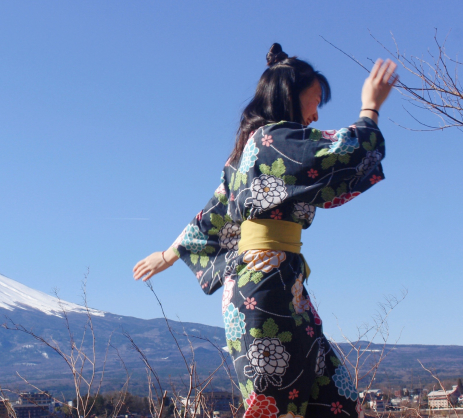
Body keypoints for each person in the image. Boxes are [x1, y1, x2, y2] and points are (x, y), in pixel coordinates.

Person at [132, 44, 396, 418]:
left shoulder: (252, 149)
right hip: (263, 286)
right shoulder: (270, 141)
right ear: (290, 94)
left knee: (335, 397)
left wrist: (168, 254)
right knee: (278, 404)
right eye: (315, 99)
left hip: (281, 281)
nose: (317, 112)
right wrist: (370, 107)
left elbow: (213, 213)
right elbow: (348, 150)